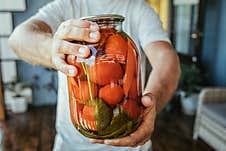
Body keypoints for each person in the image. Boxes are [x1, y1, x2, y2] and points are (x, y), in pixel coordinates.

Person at [8, 0, 180, 150]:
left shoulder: (139, 8)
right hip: (71, 145)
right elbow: (18, 38)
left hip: (132, 143)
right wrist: (53, 49)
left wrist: (150, 105)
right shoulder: (66, 5)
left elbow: (167, 60)